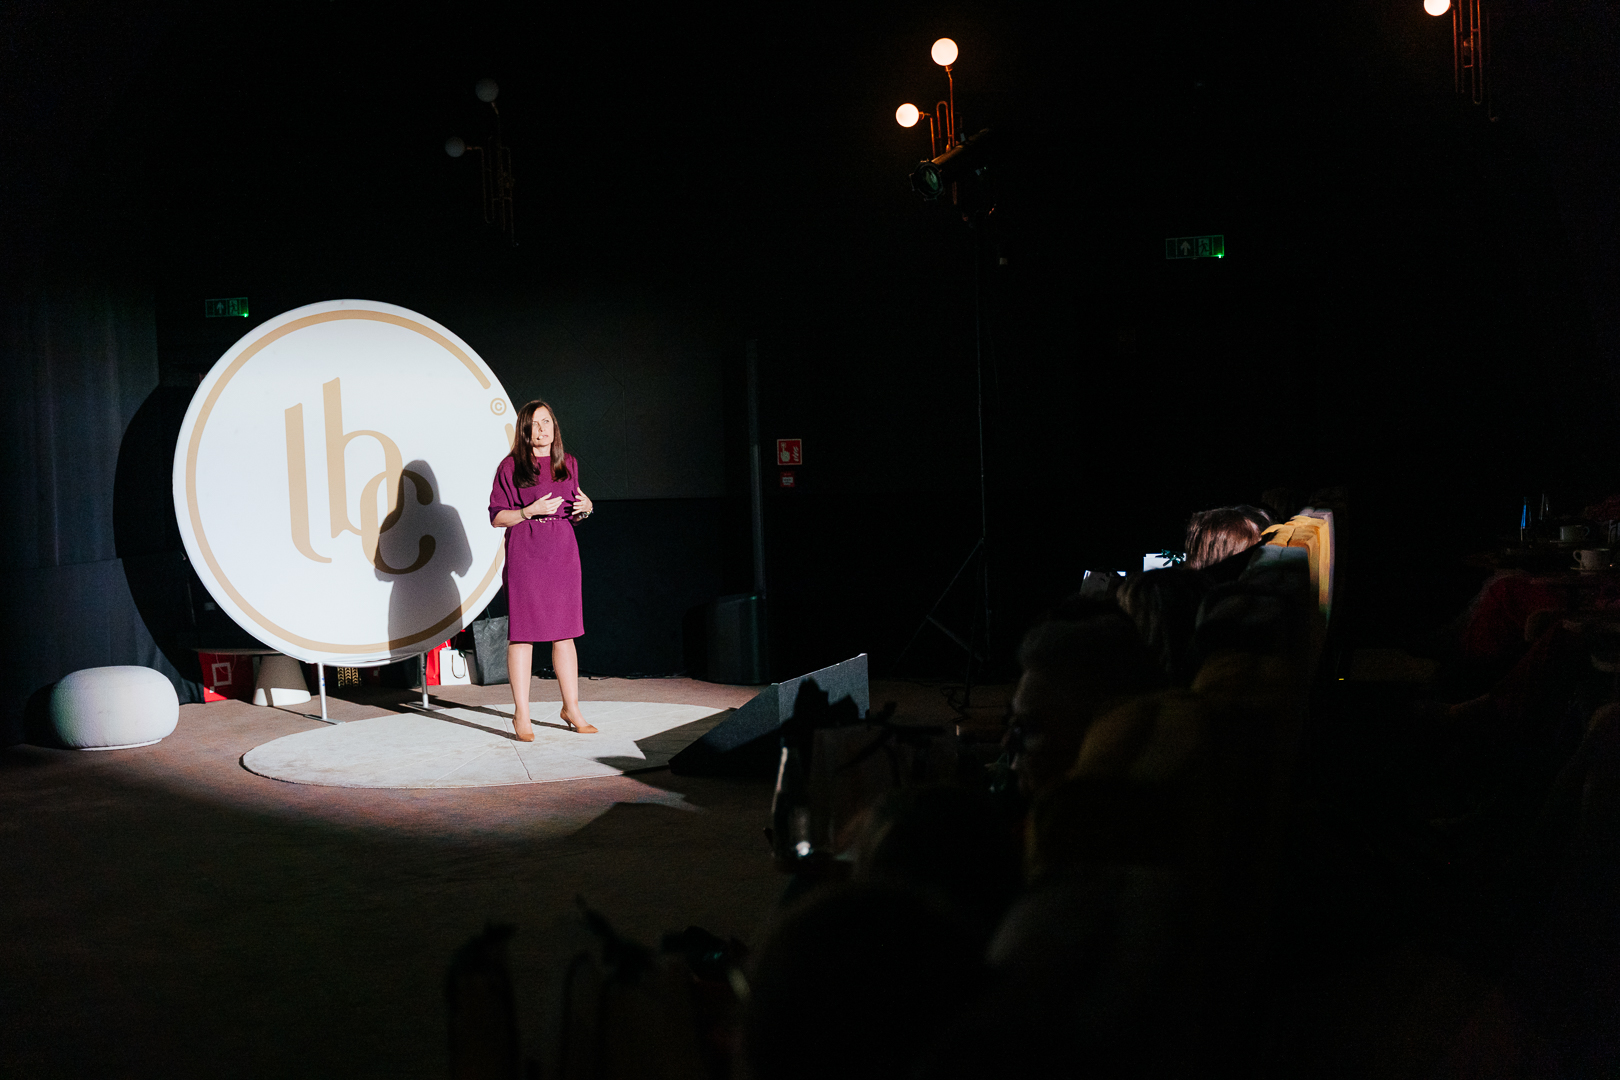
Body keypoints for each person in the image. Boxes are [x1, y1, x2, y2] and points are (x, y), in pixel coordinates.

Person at [488, 400, 597, 739]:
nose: (542, 428)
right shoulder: (510, 466)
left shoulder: (569, 463)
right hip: (526, 552)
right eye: (535, 423)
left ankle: (571, 708)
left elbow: (573, 512)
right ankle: (522, 714)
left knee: (565, 633)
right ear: (525, 430)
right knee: (523, 634)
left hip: (562, 553)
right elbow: (497, 517)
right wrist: (528, 511)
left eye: (547, 421)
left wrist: (586, 508)